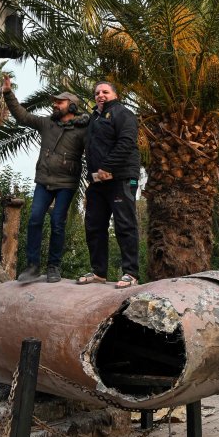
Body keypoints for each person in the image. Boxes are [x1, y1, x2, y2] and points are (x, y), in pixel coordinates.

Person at [1, 78, 90, 283]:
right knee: (35, 219)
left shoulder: (83, 129)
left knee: (58, 222)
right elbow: (22, 116)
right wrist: (8, 93)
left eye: (60, 102)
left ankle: (54, 267)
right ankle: (32, 267)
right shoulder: (47, 123)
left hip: (66, 183)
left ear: (72, 106)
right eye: (55, 102)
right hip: (44, 180)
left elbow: (93, 151)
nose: (55, 105)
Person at [77, 81, 141, 289]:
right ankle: (98, 273)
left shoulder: (123, 113)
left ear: (115, 94)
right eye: (97, 93)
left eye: (105, 92)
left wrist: (107, 167)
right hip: (97, 180)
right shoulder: (94, 118)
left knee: (124, 224)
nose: (100, 95)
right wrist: (93, 174)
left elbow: (127, 142)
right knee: (94, 225)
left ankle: (130, 273)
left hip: (120, 178)